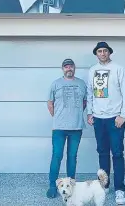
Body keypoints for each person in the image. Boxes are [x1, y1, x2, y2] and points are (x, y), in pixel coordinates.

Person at [86, 42, 125, 205]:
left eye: (105, 50)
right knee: (102, 153)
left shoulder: (118, 69)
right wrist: (90, 113)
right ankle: (104, 185)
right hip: (98, 119)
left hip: (115, 119)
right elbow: (90, 93)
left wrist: (123, 115)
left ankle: (119, 189)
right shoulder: (92, 70)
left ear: (109, 53)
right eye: (99, 51)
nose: (103, 53)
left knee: (118, 154)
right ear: (96, 54)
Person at [47, 58, 87, 198]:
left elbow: (85, 102)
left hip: (76, 128)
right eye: (66, 67)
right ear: (62, 68)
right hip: (59, 128)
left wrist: (73, 115)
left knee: (72, 157)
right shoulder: (56, 84)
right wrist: (59, 117)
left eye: (71, 66)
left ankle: (71, 186)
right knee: (57, 156)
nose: (68, 69)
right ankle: (52, 185)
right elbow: (50, 103)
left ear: (74, 68)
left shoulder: (81, 84)